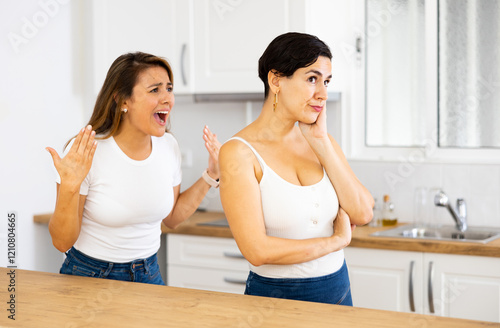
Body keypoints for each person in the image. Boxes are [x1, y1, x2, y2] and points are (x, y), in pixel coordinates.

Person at [219, 32, 374, 305]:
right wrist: (335, 242)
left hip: (338, 287)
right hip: (275, 297)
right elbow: (257, 250)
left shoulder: (321, 141)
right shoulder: (239, 152)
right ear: (276, 79)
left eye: (326, 81)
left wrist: (321, 143)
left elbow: (362, 212)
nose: (323, 93)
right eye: (312, 79)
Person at [46, 52, 221, 285]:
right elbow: (62, 241)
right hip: (90, 275)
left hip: (149, 273)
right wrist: (69, 185)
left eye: (169, 88)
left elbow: (172, 217)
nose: (167, 98)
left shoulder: (169, 146)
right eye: (154, 90)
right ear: (123, 100)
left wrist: (212, 175)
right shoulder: (87, 151)